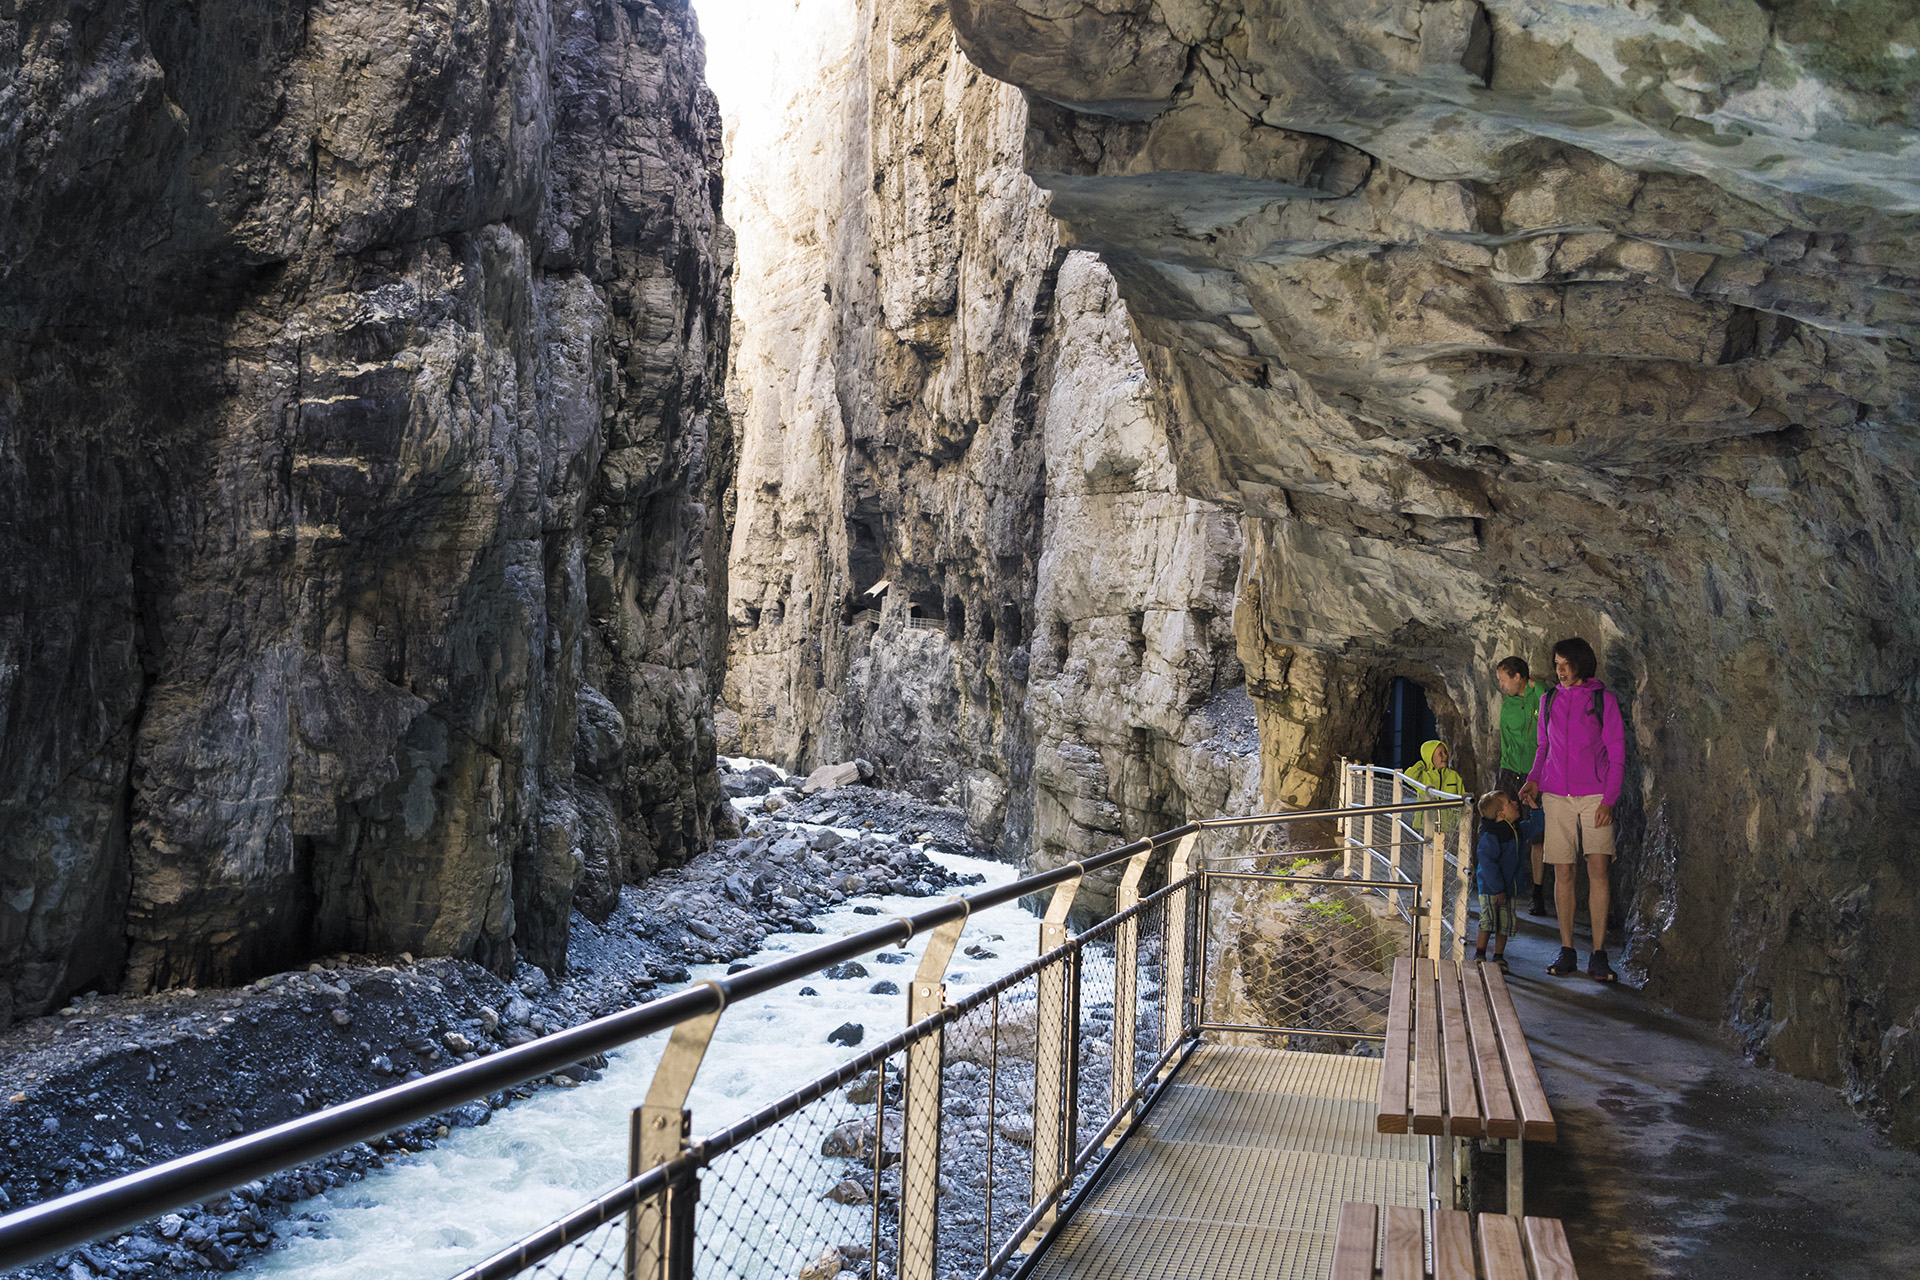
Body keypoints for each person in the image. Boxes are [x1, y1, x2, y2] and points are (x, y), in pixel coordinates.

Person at [1520, 637, 1625, 982]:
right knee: (1563, 871)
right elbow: (1543, 747)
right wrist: (1533, 780)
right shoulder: (1549, 699)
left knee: (1598, 868)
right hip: (1555, 794)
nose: (1560, 671)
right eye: (1557, 665)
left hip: (1595, 794)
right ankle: (1567, 950)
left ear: (1581, 664)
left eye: (1566, 664)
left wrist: (1609, 799)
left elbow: (1617, 754)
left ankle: (1597, 954)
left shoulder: (1602, 700)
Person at [1494, 656, 1549, 916]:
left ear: (1518, 677)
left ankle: (1538, 893)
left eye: (1504, 680)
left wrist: (1535, 685)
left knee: (1537, 835)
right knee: (1501, 827)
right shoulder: (1508, 704)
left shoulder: (1538, 696)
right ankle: (1501, 885)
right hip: (1509, 771)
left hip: (1534, 773)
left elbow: (1548, 692)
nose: (1502, 685)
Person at [1473, 790, 1543, 970]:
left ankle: (1498, 956)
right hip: (1491, 889)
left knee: (1505, 922)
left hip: (1508, 888)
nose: (1515, 803)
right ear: (1501, 814)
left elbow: (1538, 825)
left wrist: (1534, 806)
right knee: (1488, 920)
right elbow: (1488, 865)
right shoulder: (1490, 836)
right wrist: (1497, 889)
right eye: (1510, 802)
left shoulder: (1517, 830)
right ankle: (1479, 953)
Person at [1405, 739, 1465, 832]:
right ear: (1430, 757)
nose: (1445, 756)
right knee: (1427, 846)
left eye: (1445, 752)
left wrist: (1458, 822)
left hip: (1448, 826)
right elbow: (1408, 777)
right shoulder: (1423, 776)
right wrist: (1423, 763)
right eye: (1440, 754)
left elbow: (1462, 797)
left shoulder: (1453, 775)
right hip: (1425, 825)